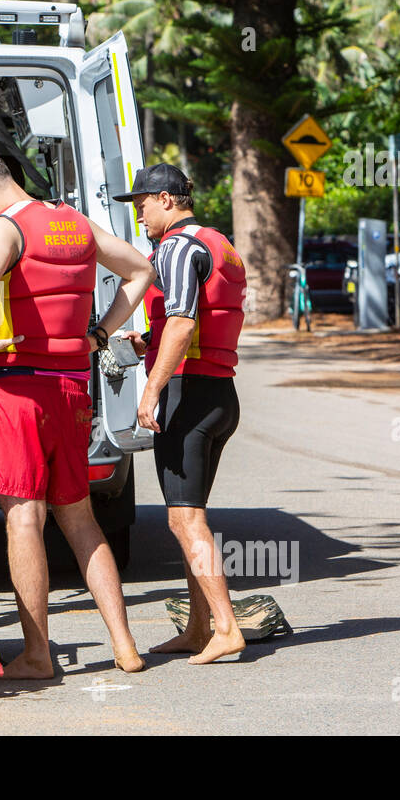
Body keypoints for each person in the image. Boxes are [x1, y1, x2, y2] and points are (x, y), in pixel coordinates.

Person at [0, 147, 152, 679]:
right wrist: (100, 334)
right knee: (80, 518)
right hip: (72, 388)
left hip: (19, 390)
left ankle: (38, 654)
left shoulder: (4, 227)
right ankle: (125, 646)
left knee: (23, 520)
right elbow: (140, 269)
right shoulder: (73, 221)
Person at [117, 164, 247, 665]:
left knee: (185, 519)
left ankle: (226, 627)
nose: (139, 216)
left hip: (185, 395)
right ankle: (198, 628)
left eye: (142, 205)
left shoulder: (174, 246)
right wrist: (147, 341)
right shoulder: (219, 243)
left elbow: (183, 321)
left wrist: (149, 392)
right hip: (219, 393)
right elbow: (205, 317)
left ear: (167, 200)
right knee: (189, 516)